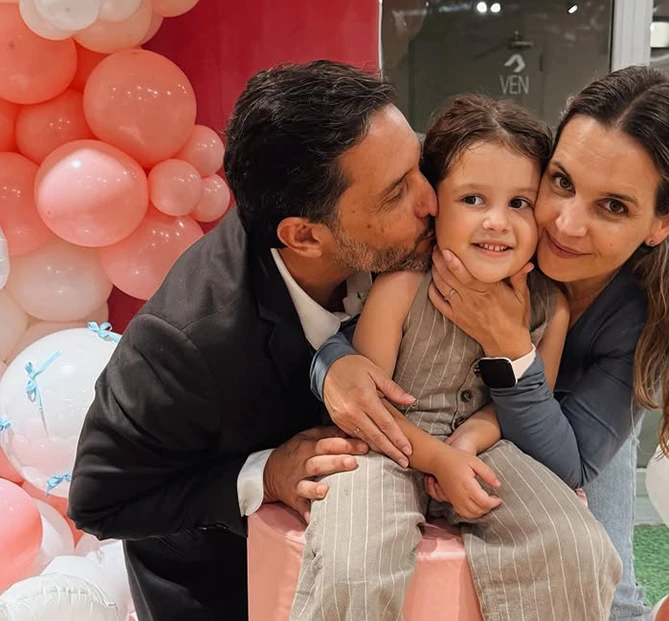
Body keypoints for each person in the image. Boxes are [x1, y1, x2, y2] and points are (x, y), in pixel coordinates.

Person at [311, 65, 669, 621]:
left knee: (600, 568)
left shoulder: (644, 315)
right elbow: (357, 338)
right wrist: (332, 366)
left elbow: (572, 465)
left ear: (662, 222)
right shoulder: (462, 247)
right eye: (562, 182)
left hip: (558, 436)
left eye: (614, 206)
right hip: (424, 436)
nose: (566, 224)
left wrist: (507, 343)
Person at [66, 61, 442, 621]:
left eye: (417, 165)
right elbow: (99, 501)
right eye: (396, 195)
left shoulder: (397, 220)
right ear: (304, 236)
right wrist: (264, 474)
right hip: (222, 587)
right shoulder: (187, 341)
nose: (431, 200)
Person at [290, 94, 620, 621]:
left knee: (578, 548)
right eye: (473, 199)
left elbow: (519, 403)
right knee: (355, 559)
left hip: (488, 450)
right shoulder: (401, 284)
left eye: (520, 203)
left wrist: (467, 442)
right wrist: (440, 458)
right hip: (386, 445)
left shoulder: (550, 307)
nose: (497, 222)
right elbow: (370, 407)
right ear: (435, 203)